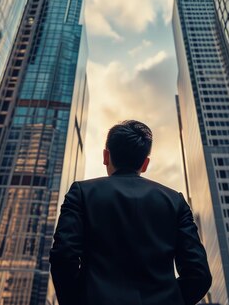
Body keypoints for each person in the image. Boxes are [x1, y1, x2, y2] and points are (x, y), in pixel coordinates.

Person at [50, 120, 212, 305]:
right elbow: (199, 275)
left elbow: (63, 255)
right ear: (145, 163)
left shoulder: (82, 192)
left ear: (106, 156)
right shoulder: (175, 201)